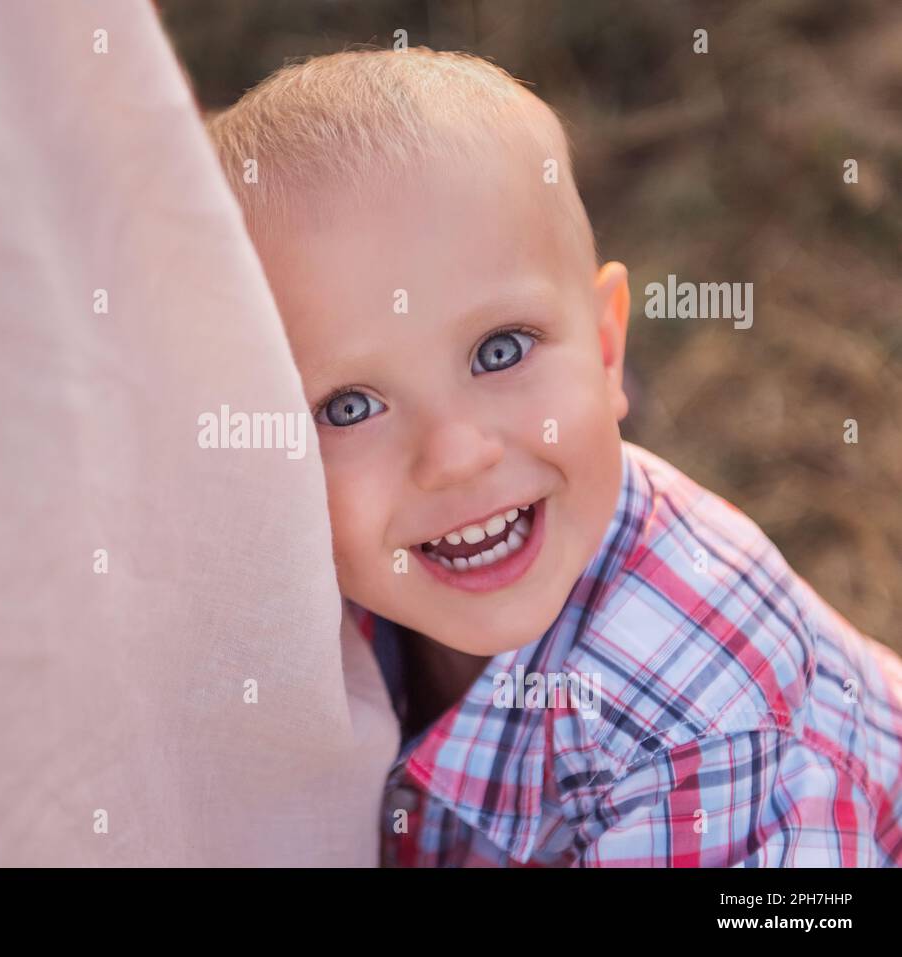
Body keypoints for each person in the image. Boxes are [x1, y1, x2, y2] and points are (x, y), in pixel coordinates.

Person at [207, 48, 902, 866]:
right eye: (350, 406)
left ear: (609, 352)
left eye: (501, 350)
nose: (457, 455)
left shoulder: (699, 727)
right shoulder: (299, 603)